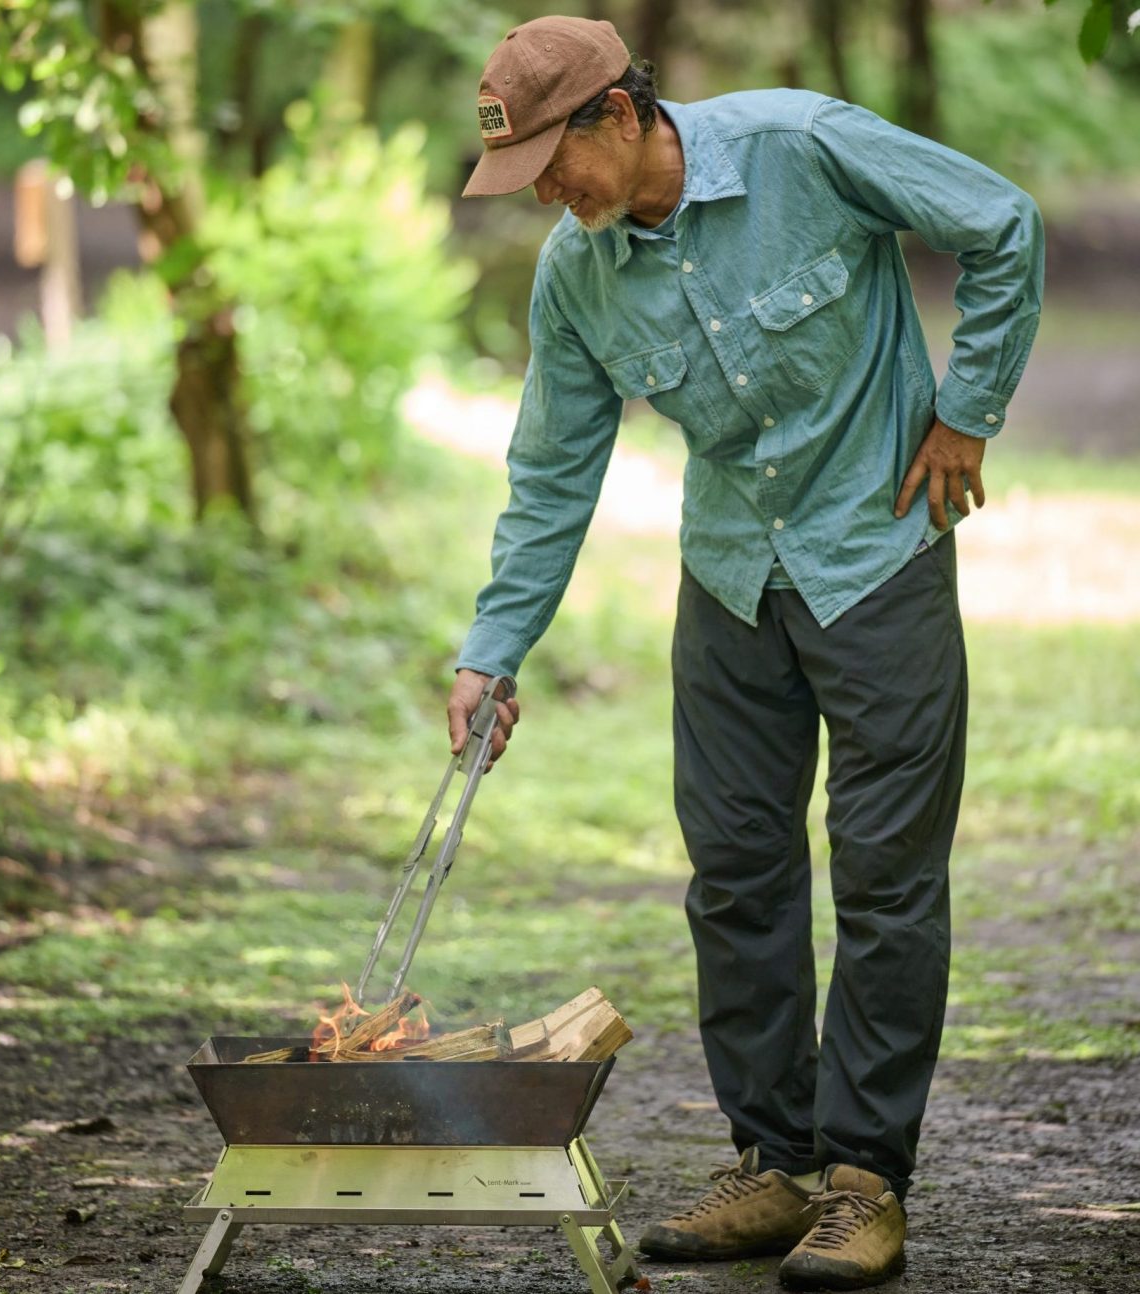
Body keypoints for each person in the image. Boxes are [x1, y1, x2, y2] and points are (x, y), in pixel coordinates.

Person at [445, 15, 1043, 1291]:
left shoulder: (803, 146)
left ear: (618, 112)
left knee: (885, 877)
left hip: (875, 560)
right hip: (728, 580)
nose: (548, 195)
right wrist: (493, 649)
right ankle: (772, 1164)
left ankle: (865, 1182)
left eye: (556, 162)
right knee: (734, 874)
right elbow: (551, 470)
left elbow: (1003, 224)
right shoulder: (577, 272)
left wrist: (967, 416)